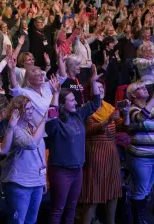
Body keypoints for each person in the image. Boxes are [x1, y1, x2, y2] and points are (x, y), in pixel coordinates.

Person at [45, 65, 102, 224]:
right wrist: (55, 93)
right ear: (62, 104)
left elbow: (96, 103)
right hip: (61, 171)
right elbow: (51, 116)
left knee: (72, 207)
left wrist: (94, 82)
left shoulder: (78, 115)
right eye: (71, 100)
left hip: (78, 170)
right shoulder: (55, 123)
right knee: (58, 209)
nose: (76, 102)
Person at [1, 89, 55, 224]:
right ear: (17, 111)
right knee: (17, 221)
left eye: (32, 108)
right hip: (20, 183)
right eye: (27, 108)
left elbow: (40, 152)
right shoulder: (14, 129)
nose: (31, 111)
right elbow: (30, 144)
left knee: (31, 220)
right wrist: (44, 120)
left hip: (36, 181)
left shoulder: (32, 126)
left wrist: (42, 180)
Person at [79, 80, 130, 224]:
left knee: (113, 192)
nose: (100, 90)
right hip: (95, 153)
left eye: (102, 87)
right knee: (93, 194)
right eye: (97, 87)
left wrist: (125, 115)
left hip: (111, 153)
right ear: (91, 91)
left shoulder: (109, 107)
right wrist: (108, 121)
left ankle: (110, 221)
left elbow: (123, 128)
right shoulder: (87, 108)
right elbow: (89, 130)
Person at [126, 82, 154, 224]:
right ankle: (138, 220)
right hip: (141, 157)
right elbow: (141, 117)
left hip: (152, 155)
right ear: (133, 95)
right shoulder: (131, 110)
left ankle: (142, 218)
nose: (144, 89)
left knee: (148, 189)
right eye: (140, 88)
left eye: (144, 87)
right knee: (141, 190)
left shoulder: (151, 108)